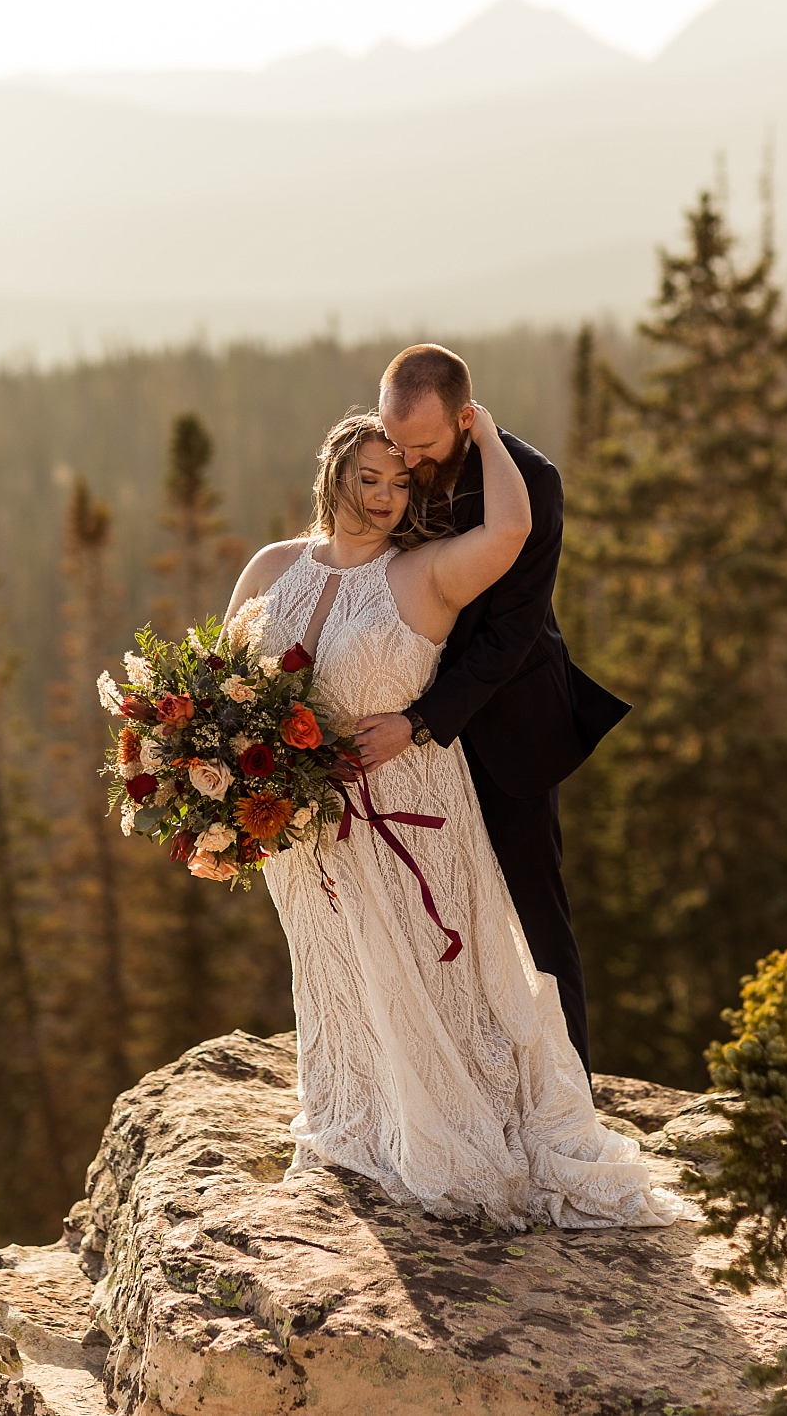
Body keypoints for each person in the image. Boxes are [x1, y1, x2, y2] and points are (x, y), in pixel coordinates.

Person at [219, 403, 680, 1229]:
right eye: (369, 477)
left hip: (408, 810)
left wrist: (488, 433)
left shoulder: (426, 570)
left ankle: (459, 1126)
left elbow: (508, 531)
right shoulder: (270, 566)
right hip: (307, 831)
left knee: (430, 977)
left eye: (401, 479)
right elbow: (226, 684)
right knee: (342, 971)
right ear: (331, 474)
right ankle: (362, 1114)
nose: (388, 494)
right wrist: (211, 777)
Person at [359, 343, 625, 1074]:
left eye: (422, 446)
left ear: (466, 418)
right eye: (394, 440)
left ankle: (572, 1094)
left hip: (508, 726)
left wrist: (416, 724)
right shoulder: (388, 457)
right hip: (404, 725)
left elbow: (510, 637)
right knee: (435, 914)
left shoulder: (532, 480)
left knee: (536, 917)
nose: (404, 464)